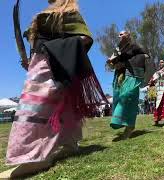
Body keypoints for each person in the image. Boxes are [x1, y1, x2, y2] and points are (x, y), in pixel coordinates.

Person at [0, 0, 106, 178]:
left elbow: (84, 38)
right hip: (41, 61)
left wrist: (53, 50)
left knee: (34, 104)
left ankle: (36, 156)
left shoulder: (69, 12)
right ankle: (69, 144)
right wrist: (32, 56)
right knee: (62, 107)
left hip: (55, 62)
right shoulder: (46, 14)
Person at [107, 31, 150, 139]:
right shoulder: (116, 50)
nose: (119, 35)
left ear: (128, 35)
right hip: (120, 76)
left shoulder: (134, 46)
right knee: (118, 98)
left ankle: (129, 126)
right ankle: (122, 121)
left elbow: (146, 55)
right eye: (119, 34)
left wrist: (128, 62)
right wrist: (111, 63)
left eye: (122, 34)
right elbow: (112, 64)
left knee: (127, 97)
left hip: (131, 75)